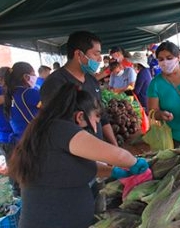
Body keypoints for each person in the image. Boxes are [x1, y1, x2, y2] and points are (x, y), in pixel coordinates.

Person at [7, 83, 149, 228]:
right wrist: (135, 162)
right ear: (80, 117)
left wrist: (114, 171)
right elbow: (119, 155)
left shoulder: (48, 131)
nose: (95, 127)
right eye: (96, 120)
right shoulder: (61, 129)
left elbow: (79, 167)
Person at [40, 31, 118, 146]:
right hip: (75, 156)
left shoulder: (91, 80)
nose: (100, 59)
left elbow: (103, 118)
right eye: (96, 54)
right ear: (78, 54)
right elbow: (58, 128)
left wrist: (114, 146)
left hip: (98, 151)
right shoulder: (55, 83)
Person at [3, 62, 40, 196]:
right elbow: (50, 107)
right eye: (33, 74)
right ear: (25, 77)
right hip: (33, 141)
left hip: (20, 141)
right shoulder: (28, 93)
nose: (35, 77)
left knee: (28, 180)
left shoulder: (11, 94)